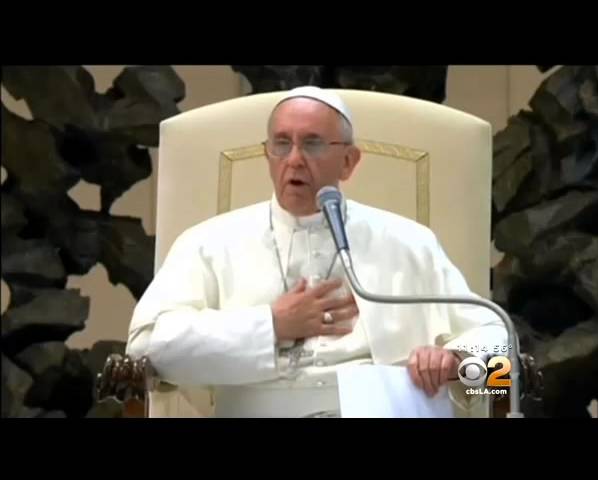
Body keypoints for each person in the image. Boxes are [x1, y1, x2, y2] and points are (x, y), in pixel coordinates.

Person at [126, 86, 508, 417]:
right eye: (281, 143)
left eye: (312, 143)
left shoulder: (409, 242)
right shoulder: (208, 243)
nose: (294, 159)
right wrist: (271, 325)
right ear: (267, 154)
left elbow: (501, 355)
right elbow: (146, 348)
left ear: (349, 162)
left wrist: (455, 362)